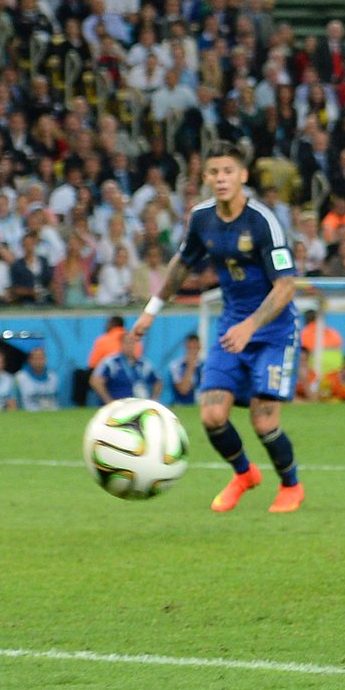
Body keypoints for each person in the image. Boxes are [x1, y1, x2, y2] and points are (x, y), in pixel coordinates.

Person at [131, 147, 304, 513]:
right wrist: (151, 311)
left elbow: (286, 285)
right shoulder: (201, 218)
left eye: (228, 170)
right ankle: (244, 474)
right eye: (213, 172)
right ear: (206, 178)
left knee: (262, 420)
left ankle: (291, 485)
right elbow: (180, 266)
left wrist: (251, 325)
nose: (221, 178)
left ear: (243, 176)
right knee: (211, 415)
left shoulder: (263, 221)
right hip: (232, 325)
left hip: (273, 328)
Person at [91, 337, 162, 403]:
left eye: (132, 343)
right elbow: (95, 381)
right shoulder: (111, 362)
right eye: (127, 343)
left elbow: (158, 382)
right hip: (119, 404)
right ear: (121, 344)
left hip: (139, 404)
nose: (129, 346)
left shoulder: (144, 364)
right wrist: (108, 401)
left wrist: (154, 400)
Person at [15, 346, 61, 410]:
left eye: (41, 358)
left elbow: (57, 399)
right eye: (35, 358)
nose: (38, 361)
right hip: (29, 416)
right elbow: (16, 400)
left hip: (52, 414)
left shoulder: (53, 376)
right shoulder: (20, 377)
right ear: (29, 360)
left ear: (45, 359)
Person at [165, 334, 203, 405]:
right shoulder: (176, 366)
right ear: (186, 347)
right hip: (182, 405)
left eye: (195, 347)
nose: (193, 351)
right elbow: (183, 390)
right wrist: (191, 366)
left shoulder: (204, 366)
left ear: (199, 347)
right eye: (190, 348)